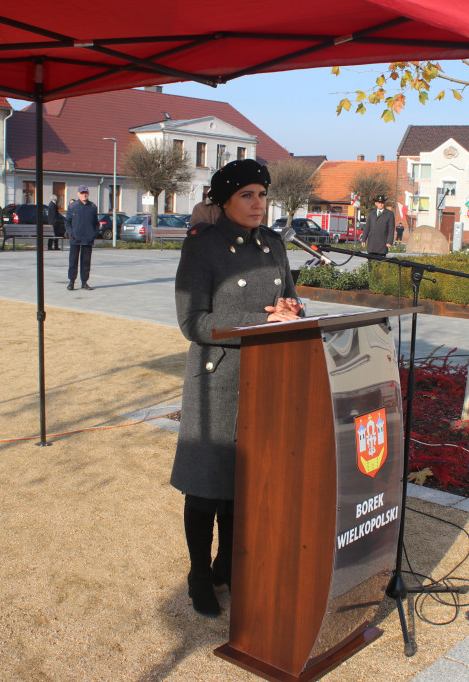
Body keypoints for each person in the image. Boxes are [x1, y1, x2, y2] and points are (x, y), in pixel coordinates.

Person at [171, 159, 303, 617]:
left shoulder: (273, 244)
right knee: (206, 488)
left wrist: (290, 306)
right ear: (224, 200)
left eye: (262, 195)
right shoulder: (203, 247)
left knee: (242, 483)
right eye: (247, 195)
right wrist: (261, 320)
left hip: (266, 378)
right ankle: (198, 572)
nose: (258, 204)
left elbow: (287, 297)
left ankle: (228, 562)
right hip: (218, 379)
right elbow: (193, 322)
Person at [64, 185, 98, 290]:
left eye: (86, 193)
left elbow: (96, 223)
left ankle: (84, 282)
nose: (84, 195)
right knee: (73, 261)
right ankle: (71, 282)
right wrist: (71, 233)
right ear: (78, 194)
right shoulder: (72, 206)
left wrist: (94, 234)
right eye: (82, 193)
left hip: (88, 239)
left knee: (86, 262)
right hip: (75, 239)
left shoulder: (92, 207)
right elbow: (67, 222)